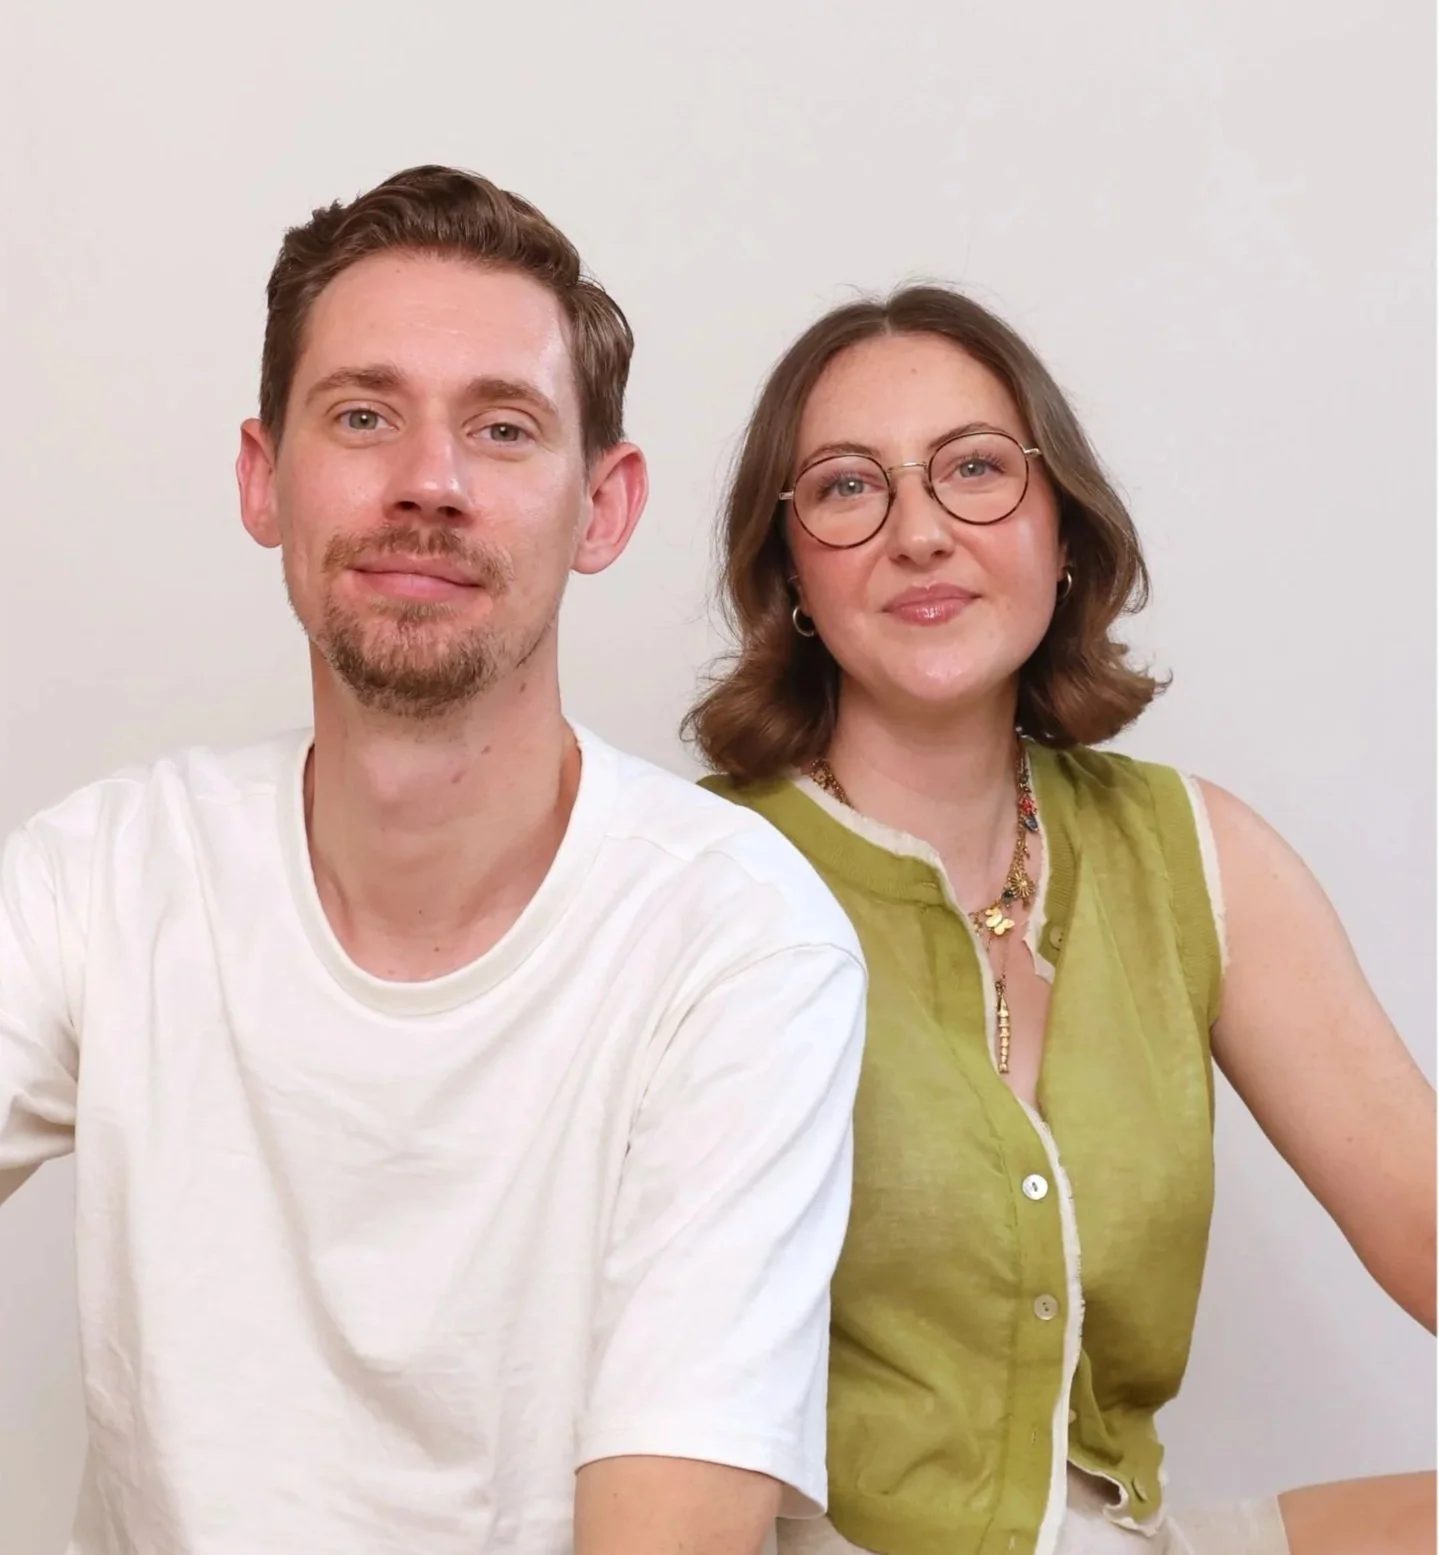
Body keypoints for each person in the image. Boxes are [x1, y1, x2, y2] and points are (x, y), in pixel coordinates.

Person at [0, 165, 868, 1555]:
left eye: (503, 428)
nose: (428, 483)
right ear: (262, 477)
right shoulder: (101, 878)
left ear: (603, 507)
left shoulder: (739, 940)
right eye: (362, 415)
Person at [685, 284, 1436, 1555]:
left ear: (1062, 532)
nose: (919, 532)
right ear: (791, 574)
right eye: (847, 487)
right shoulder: (701, 876)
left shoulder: (1194, 851)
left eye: (974, 468)